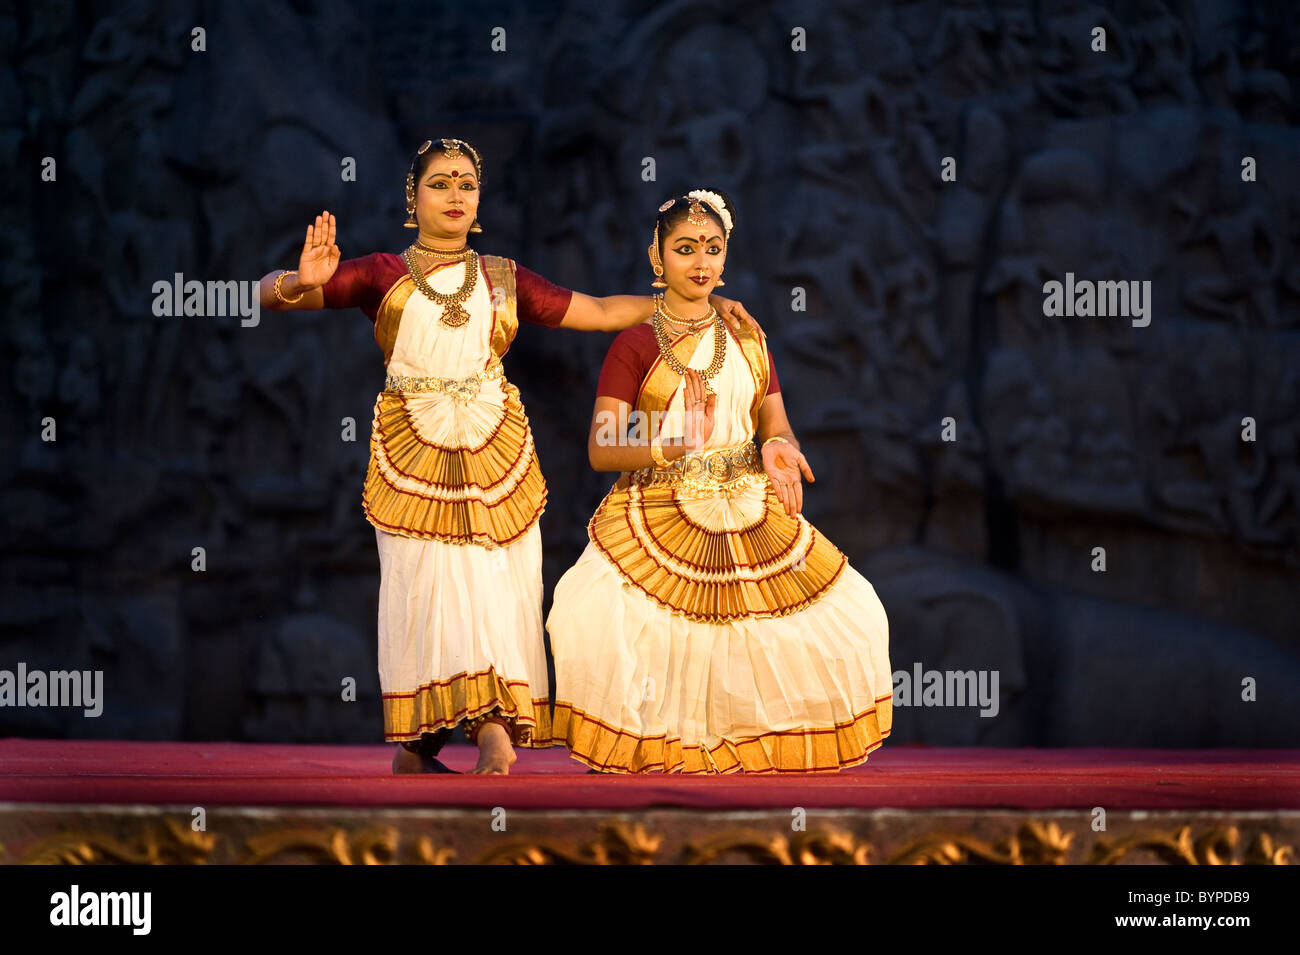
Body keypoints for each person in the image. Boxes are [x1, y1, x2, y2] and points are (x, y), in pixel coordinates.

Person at [258, 141, 757, 774]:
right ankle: (420, 743)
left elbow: (601, 312)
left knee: (500, 582)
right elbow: (264, 296)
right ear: (413, 200)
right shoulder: (381, 273)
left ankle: (493, 724)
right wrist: (295, 284)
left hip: (497, 449)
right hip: (415, 451)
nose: (456, 194)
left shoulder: (503, 278)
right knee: (427, 583)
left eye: (467, 183)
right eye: (440, 183)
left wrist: (703, 310)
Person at [547, 189, 893, 774]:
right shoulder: (635, 343)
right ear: (657, 260)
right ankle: (671, 761)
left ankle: (742, 766)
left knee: (851, 616)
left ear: (726, 259)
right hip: (662, 505)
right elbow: (603, 446)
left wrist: (780, 449)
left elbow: (773, 421)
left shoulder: (749, 336)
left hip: (747, 503)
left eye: (712, 248)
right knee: (606, 619)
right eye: (684, 249)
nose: (700, 261)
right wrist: (675, 440)